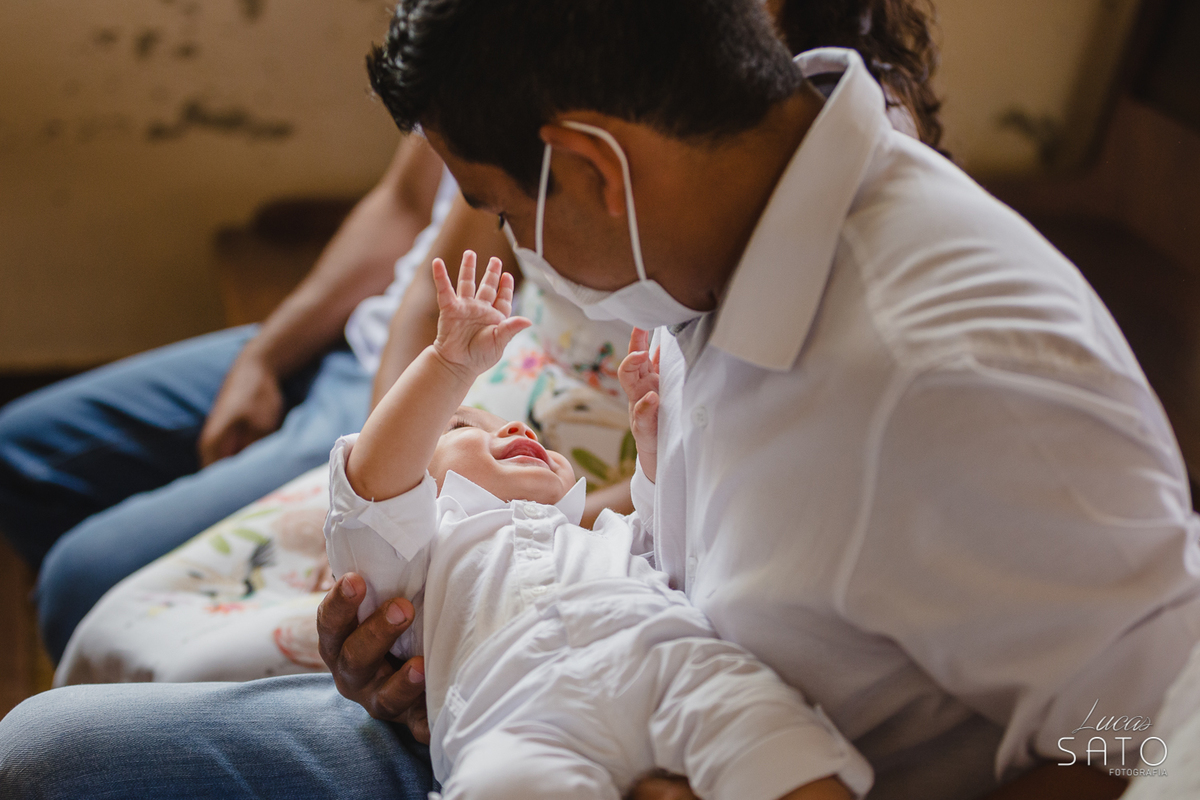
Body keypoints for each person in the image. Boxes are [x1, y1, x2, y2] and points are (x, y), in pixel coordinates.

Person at [324, 251, 870, 800]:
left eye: (537, 437)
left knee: (776, 745)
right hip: (511, 712)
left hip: (668, 659)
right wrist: (447, 367)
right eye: (462, 425)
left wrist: (654, 447)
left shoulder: (601, 534)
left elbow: (669, 546)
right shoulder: (418, 553)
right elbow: (374, 483)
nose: (518, 427)